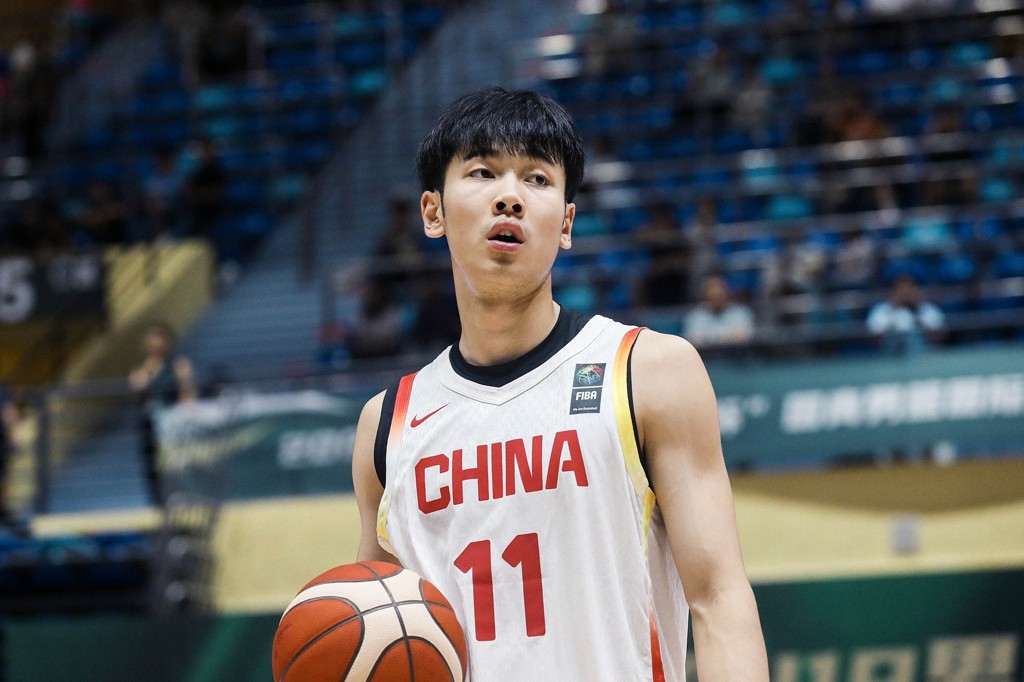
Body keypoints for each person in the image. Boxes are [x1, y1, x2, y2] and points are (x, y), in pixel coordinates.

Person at [352, 87, 768, 681]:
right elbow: (380, 637)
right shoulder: (387, 424)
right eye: (482, 173)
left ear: (566, 223)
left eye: (538, 179)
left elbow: (719, 598)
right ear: (433, 212)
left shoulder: (647, 370)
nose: (510, 198)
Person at [128, 322, 197, 506]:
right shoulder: (142, 368)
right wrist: (139, 382)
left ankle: (181, 497)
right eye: (150, 341)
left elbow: (188, 392)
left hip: (172, 421)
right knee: (152, 465)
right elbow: (136, 396)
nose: (154, 345)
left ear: (166, 342)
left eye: (158, 340)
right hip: (150, 422)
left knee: (176, 463)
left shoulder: (177, 365)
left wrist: (185, 414)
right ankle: (158, 502)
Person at [866, 273, 946, 354]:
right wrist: (893, 312)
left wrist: (917, 315)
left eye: (909, 290)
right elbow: (874, 339)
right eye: (901, 291)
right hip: (889, 354)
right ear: (893, 292)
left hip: (923, 354)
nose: (905, 294)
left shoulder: (928, 309)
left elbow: (940, 337)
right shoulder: (881, 310)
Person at [683, 272, 756, 349]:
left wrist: (710, 339)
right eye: (712, 287)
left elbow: (743, 337)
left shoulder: (741, 312)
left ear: (727, 289)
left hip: (735, 355)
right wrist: (728, 337)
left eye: (720, 287)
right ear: (704, 291)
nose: (716, 292)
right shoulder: (695, 317)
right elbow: (694, 341)